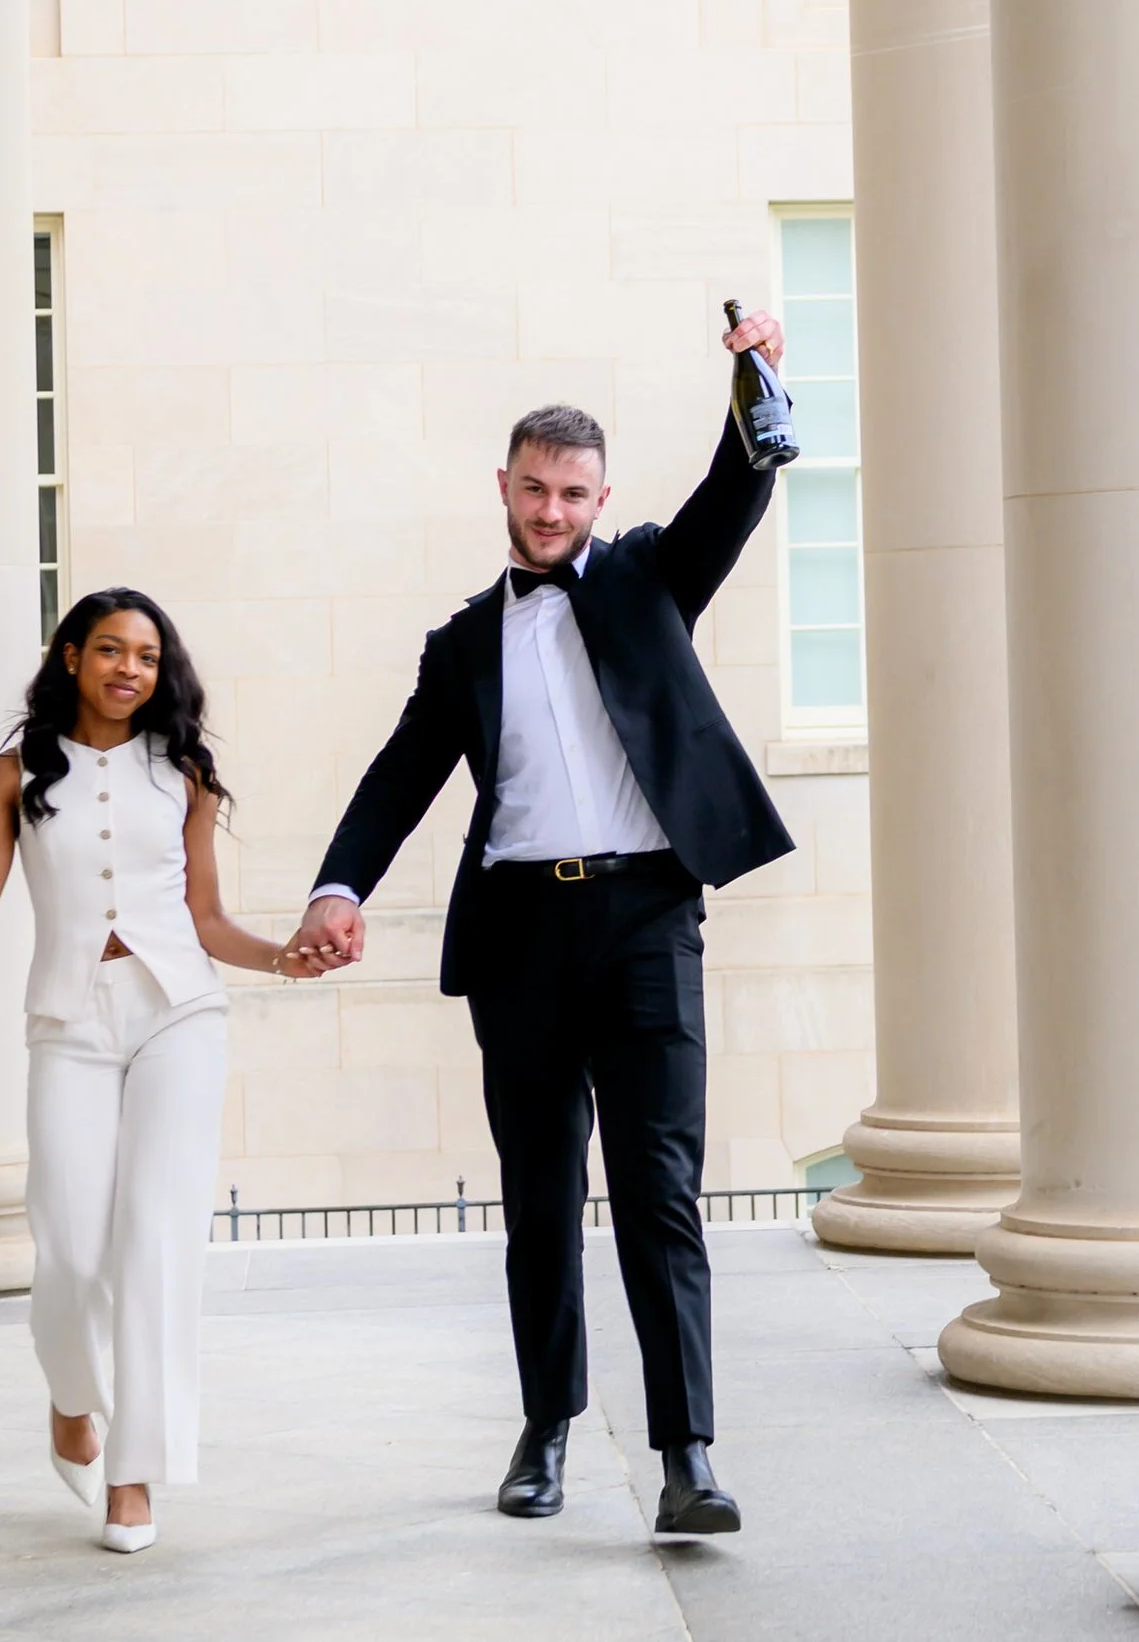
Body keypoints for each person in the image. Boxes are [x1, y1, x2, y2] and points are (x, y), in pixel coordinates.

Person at [290, 309, 796, 1534]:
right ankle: (545, 1428)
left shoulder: (643, 576)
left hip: (645, 920)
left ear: (599, 493)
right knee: (536, 1199)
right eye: (533, 489)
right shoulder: (462, 642)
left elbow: (734, 494)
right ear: (504, 488)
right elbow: (397, 778)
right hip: (519, 929)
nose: (551, 510)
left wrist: (756, 378)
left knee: (659, 1191)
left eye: (572, 492)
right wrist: (336, 885)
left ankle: (688, 1456)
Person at [0, 590, 328, 1553]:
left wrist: (283, 958)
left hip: (179, 1012)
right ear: (69, 658)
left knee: (156, 1240)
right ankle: (70, 1395)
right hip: (67, 1019)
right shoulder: (13, 777)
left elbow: (208, 920)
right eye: (108, 649)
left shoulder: (184, 774)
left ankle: (133, 1474)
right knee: (67, 1242)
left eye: (145, 654)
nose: (128, 668)